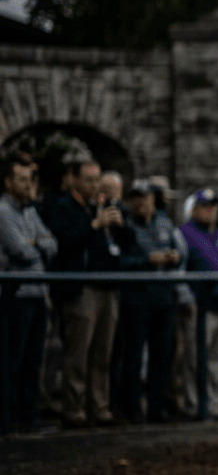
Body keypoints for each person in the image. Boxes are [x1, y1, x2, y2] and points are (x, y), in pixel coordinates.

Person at [48, 159, 133, 429]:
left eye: (97, 180)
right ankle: (74, 410)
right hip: (82, 288)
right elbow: (66, 241)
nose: (95, 185)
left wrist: (119, 224)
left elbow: (127, 244)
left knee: (102, 353)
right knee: (79, 353)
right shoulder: (65, 207)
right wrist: (95, 224)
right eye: (89, 180)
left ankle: (100, 407)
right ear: (75, 180)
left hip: (108, 287)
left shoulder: (102, 206)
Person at [115, 180, 183, 423]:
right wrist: (147, 261)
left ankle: (157, 408)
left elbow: (178, 252)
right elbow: (120, 261)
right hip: (136, 299)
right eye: (134, 197)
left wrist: (174, 257)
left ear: (153, 199)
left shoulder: (164, 222)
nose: (139, 202)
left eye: (144, 197)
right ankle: (131, 408)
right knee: (133, 356)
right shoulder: (125, 225)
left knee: (162, 356)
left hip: (163, 298)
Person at [1, 158, 58, 433]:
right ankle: (9, 417)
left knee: (34, 358)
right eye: (22, 179)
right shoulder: (2, 211)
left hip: (38, 293)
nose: (28, 185)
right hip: (16, 295)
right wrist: (37, 246)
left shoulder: (31, 212)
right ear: (8, 182)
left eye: (30, 179)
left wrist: (37, 245)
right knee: (14, 357)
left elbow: (52, 243)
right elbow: (21, 252)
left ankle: (28, 414)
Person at [179, 188, 218, 419]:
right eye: (205, 207)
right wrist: (186, 298)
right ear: (194, 210)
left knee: (217, 361)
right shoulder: (184, 234)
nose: (210, 211)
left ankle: (212, 404)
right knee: (195, 359)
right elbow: (178, 269)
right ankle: (194, 405)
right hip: (200, 307)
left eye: (213, 207)